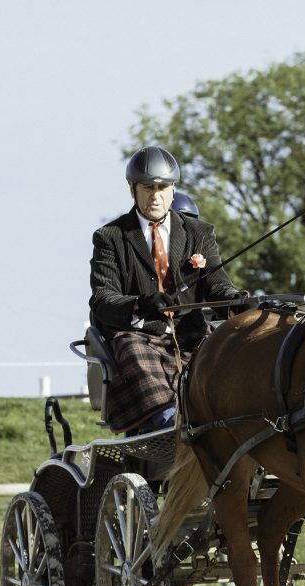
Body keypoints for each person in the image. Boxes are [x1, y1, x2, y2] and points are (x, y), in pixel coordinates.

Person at [89, 146, 240, 433]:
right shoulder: (111, 237)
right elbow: (103, 298)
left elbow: (218, 286)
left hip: (192, 336)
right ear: (132, 189)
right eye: (147, 187)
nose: (155, 195)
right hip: (141, 336)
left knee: (228, 350)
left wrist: (237, 302)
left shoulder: (199, 232)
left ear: (173, 190)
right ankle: (170, 423)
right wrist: (140, 304)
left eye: (162, 187)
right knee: (131, 348)